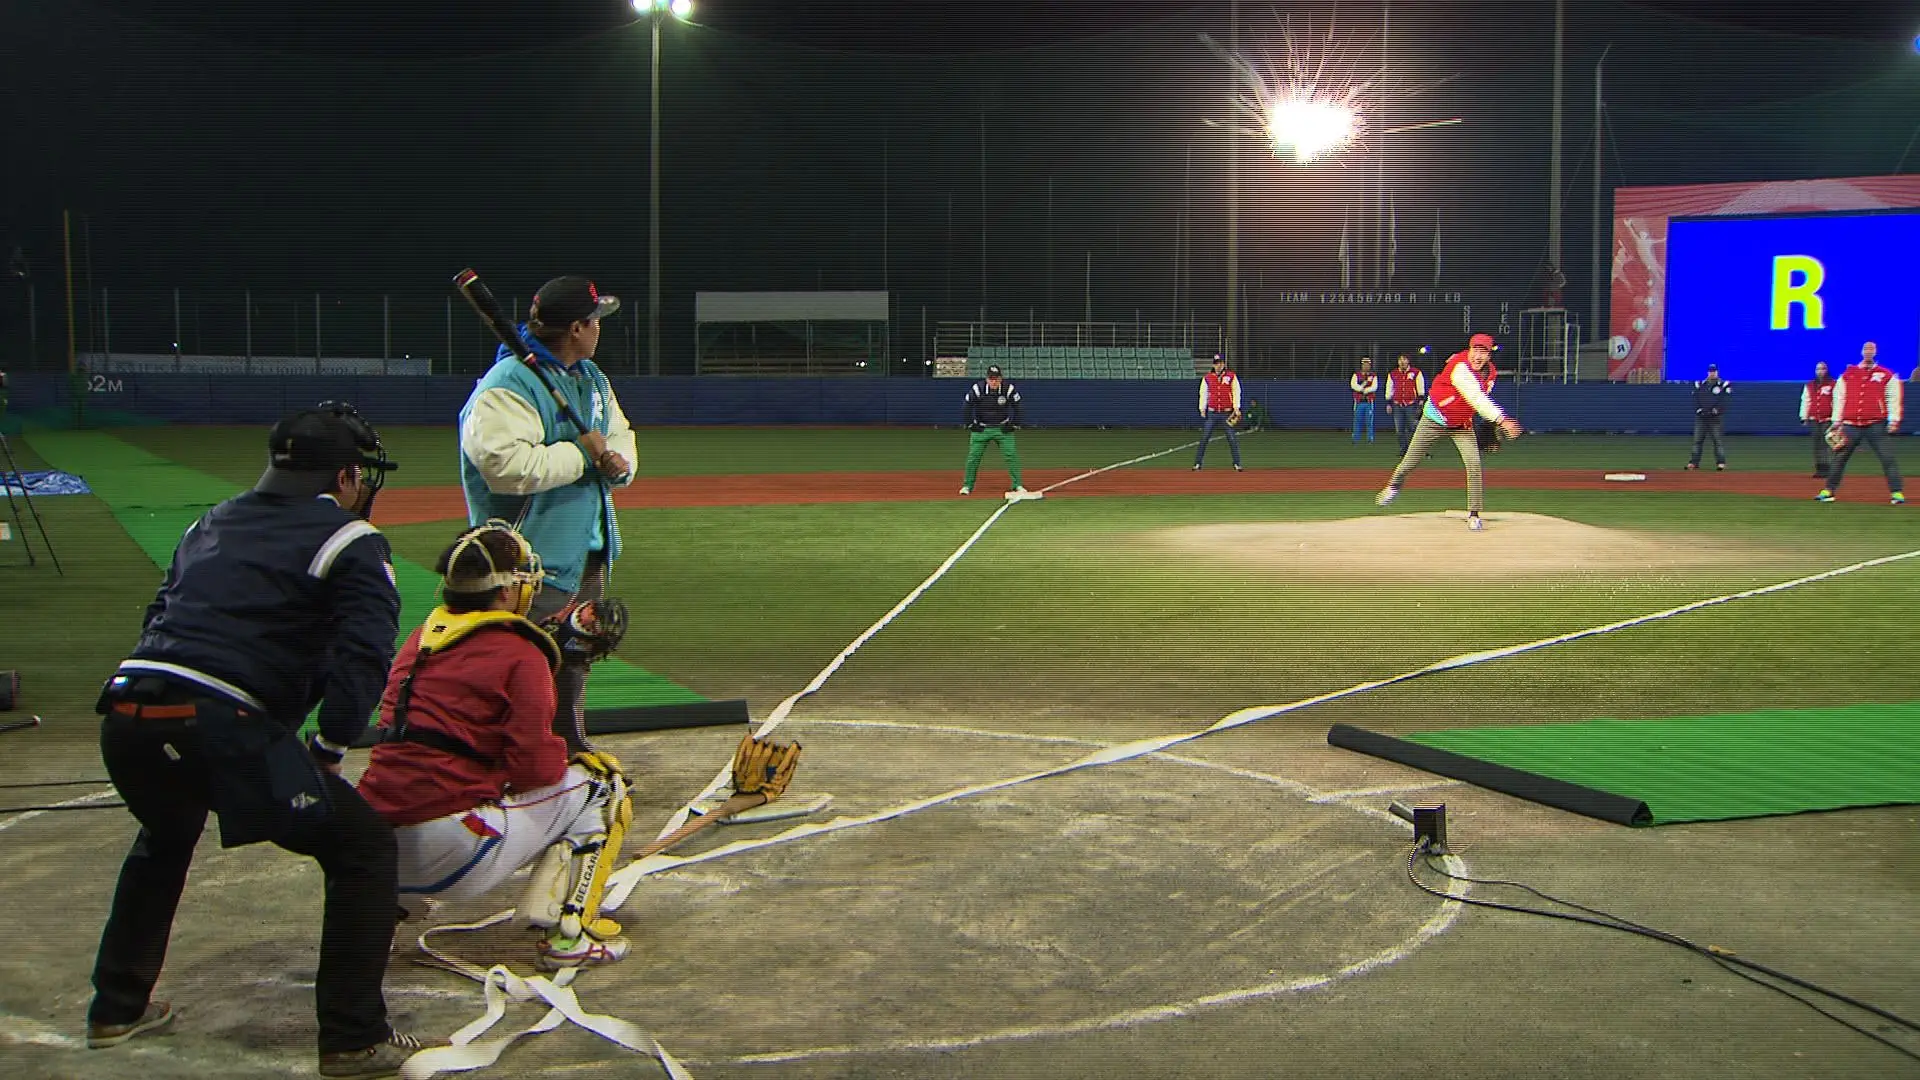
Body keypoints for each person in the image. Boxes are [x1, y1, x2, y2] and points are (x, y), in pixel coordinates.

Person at [87, 404, 417, 1078]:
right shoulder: (350, 539)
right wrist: (327, 749)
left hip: (126, 713)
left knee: (166, 832)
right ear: (348, 475)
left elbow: (161, 613)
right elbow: (365, 654)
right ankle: (354, 1038)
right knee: (361, 845)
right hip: (219, 723)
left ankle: (116, 1006)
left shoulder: (210, 519)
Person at [355, 521, 636, 971]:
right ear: (506, 590)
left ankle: (376, 923)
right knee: (602, 783)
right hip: (450, 851)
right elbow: (535, 769)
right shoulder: (523, 652)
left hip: (366, 849)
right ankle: (568, 936)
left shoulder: (423, 637)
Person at [460, 276, 638, 755]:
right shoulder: (507, 385)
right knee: (513, 661)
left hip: (585, 546)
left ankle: (566, 748)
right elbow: (504, 468)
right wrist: (583, 457)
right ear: (577, 327)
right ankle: (496, 754)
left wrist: (618, 463)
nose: (600, 327)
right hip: (524, 558)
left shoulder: (590, 378)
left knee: (574, 652)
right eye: (596, 319)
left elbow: (619, 433)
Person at [1375, 333, 1522, 531]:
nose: (1478, 356)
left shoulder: (1491, 374)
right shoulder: (1460, 367)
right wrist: (1502, 420)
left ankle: (1474, 514)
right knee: (1409, 462)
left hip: (1461, 424)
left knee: (1474, 463)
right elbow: (1476, 397)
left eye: (1483, 351)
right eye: (1475, 350)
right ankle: (1393, 487)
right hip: (1434, 419)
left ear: (1489, 355)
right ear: (1468, 351)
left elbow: (1478, 400)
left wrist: (1490, 422)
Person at [1816, 341, 1905, 505]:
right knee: (1839, 457)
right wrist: (1836, 420)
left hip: (1875, 423)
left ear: (1876, 352)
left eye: (1872, 349)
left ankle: (1897, 492)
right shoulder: (1849, 374)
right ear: (1862, 352)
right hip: (1851, 424)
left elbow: (1893, 398)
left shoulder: (1885, 374)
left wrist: (1894, 419)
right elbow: (1839, 397)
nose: (1869, 351)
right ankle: (1829, 490)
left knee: (1887, 458)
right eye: (1866, 348)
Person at [961, 364, 1034, 498]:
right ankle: (967, 485)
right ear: (987, 379)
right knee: (973, 457)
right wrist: (970, 424)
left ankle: (1017, 485)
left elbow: (1019, 407)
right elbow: (967, 406)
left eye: (996, 379)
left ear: (1001, 379)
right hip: (982, 429)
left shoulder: (1008, 389)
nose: (994, 382)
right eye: (991, 379)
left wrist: (1014, 424)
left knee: (1011, 456)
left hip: (1002, 429)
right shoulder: (978, 389)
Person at [1193, 354, 1244, 472]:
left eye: (1220, 363)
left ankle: (1237, 463)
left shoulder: (1231, 376)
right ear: (1213, 365)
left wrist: (1236, 407)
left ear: (1224, 364)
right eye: (1216, 363)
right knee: (1205, 438)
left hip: (1226, 413)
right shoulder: (1208, 378)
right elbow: (1203, 393)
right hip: (1212, 412)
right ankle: (1197, 463)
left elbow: (1236, 391)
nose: (1218, 365)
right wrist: (1202, 408)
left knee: (1232, 438)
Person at [1686, 363, 1732, 471]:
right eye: (1711, 371)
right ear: (1708, 372)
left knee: (1717, 441)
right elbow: (1695, 399)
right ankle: (1694, 463)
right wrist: (1699, 410)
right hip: (1702, 418)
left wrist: (1717, 410)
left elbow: (1725, 400)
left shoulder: (1723, 384)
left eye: (1714, 371)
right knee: (1697, 441)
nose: (1712, 373)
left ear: (1717, 372)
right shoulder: (1700, 384)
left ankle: (1721, 463)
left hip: (1715, 418)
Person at [1800, 361, 1837, 479]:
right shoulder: (1810, 385)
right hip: (1814, 418)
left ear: (1827, 370)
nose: (1820, 371)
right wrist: (1804, 417)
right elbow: (1806, 401)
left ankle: (1830, 469)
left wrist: (1836, 418)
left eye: (1823, 369)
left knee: (1828, 443)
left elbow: (1837, 401)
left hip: (1828, 418)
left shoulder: (1833, 384)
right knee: (1817, 444)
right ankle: (1820, 468)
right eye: (1818, 369)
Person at [1384, 354, 1426, 454]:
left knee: (1413, 428)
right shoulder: (1393, 374)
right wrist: (1388, 403)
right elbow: (1389, 388)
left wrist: (1421, 400)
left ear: (1408, 361)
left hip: (1411, 405)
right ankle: (1404, 449)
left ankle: (1416, 450)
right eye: (1400, 360)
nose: (1402, 362)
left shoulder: (1416, 372)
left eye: (1404, 359)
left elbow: (1420, 386)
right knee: (1399, 430)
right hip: (1397, 405)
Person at [1349, 357, 1379, 444]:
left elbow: (1374, 387)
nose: (1366, 366)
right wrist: (1362, 388)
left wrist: (1365, 390)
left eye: (1368, 365)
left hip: (1369, 402)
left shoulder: (1373, 376)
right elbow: (1353, 385)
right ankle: (1355, 439)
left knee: (1369, 421)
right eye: (1364, 364)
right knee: (1357, 421)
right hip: (1358, 402)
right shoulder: (1356, 375)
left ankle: (1370, 439)